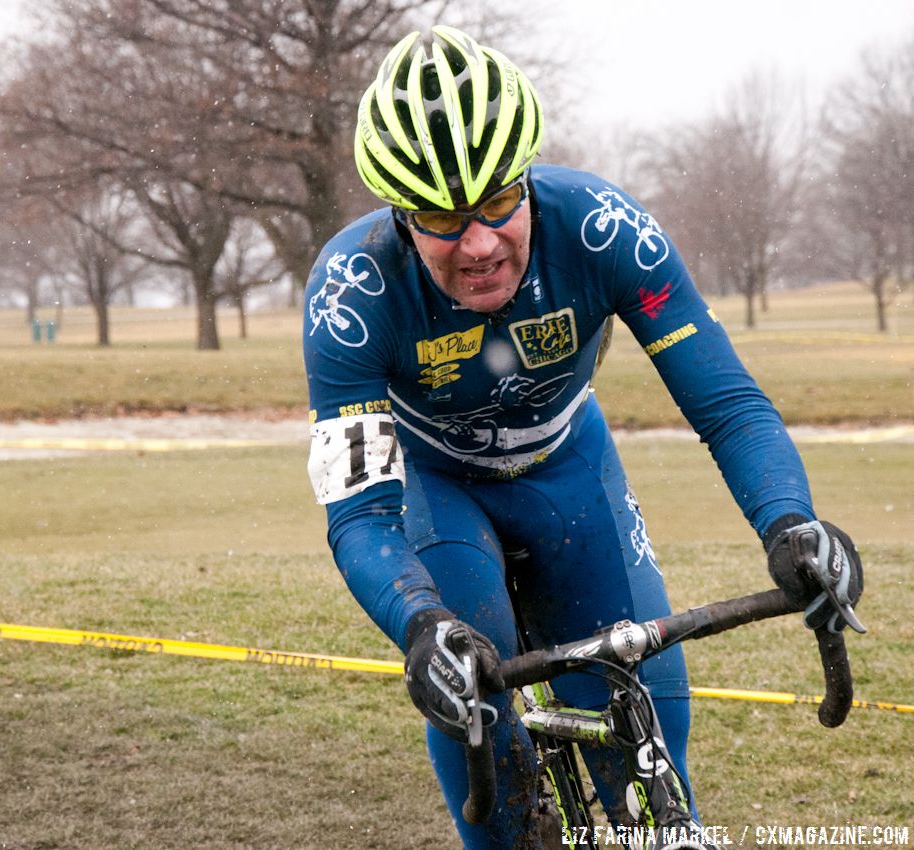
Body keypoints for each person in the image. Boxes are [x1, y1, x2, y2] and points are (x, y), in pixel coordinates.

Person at [301, 26, 863, 849]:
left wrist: (791, 523)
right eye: (444, 219)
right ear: (399, 215)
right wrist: (421, 622)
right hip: (437, 486)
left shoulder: (601, 228)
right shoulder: (350, 297)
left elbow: (728, 405)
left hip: (567, 466)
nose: (481, 242)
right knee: (478, 702)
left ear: (528, 179)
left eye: (499, 201)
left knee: (653, 741)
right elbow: (363, 515)